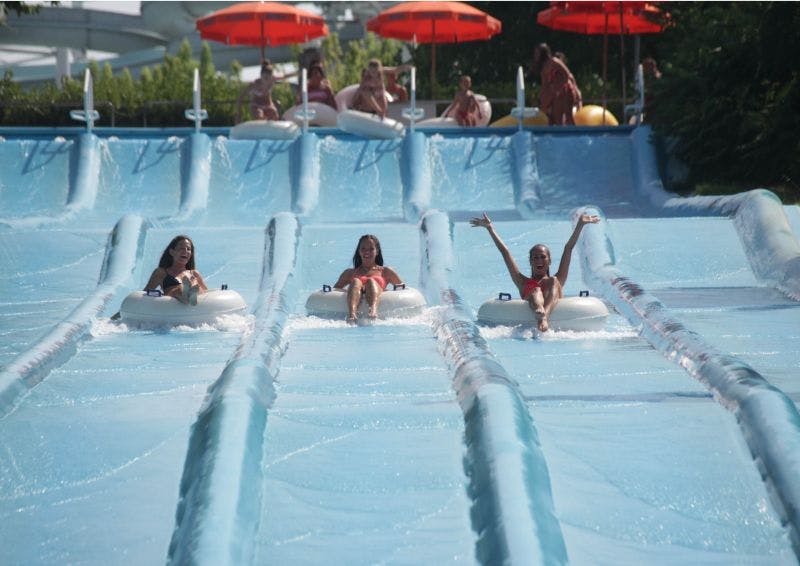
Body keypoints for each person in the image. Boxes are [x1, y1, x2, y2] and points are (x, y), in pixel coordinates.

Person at [470, 213, 600, 332]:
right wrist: (490, 229)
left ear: (549, 261)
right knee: (535, 290)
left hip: (549, 306)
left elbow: (568, 248)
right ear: (530, 261)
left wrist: (580, 225)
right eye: (535, 258)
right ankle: (539, 310)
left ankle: (544, 316)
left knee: (553, 281)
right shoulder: (522, 282)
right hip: (533, 301)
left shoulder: (558, 279)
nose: (539, 260)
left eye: (543, 257)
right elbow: (505, 253)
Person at [333, 234, 403, 323]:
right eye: (363, 249)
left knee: (371, 281)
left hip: (376, 296)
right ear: (359, 251)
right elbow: (334, 291)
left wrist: (386, 291)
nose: (367, 252)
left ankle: (373, 310)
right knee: (355, 281)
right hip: (355, 294)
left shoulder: (386, 271)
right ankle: (352, 314)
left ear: (377, 251)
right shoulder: (349, 273)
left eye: (371, 249)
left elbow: (401, 289)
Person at [144, 235, 208, 306]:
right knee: (180, 289)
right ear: (172, 252)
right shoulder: (161, 272)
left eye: (188, 249)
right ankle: (186, 294)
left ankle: (191, 294)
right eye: (181, 248)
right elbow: (145, 293)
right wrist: (158, 297)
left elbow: (208, 293)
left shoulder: (194, 273)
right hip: (173, 305)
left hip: (196, 307)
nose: (185, 251)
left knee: (197, 287)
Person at [532, 43, 582, 126]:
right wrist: (542, 98)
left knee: (567, 117)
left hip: (566, 90)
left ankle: (573, 136)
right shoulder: (543, 68)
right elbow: (545, 85)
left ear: (543, 53)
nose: (535, 55)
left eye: (537, 53)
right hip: (555, 94)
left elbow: (567, 74)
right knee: (552, 118)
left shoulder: (554, 61)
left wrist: (558, 89)